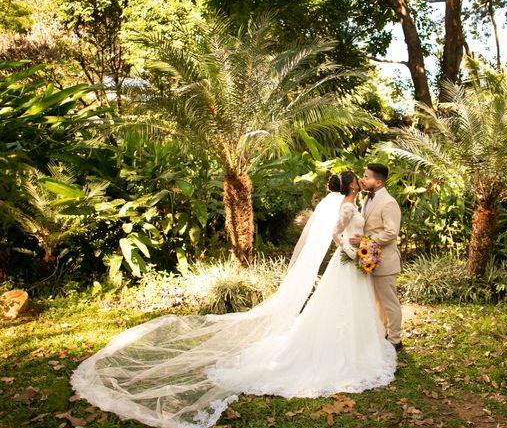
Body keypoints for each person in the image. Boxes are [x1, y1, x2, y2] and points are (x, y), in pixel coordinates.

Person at [71, 170, 396, 428]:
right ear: (351, 184)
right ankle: (340, 351)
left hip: (352, 264)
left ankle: (359, 342)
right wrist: (351, 248)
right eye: (358, 178)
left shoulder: (357, 201)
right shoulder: (345, 206)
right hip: (348, 260)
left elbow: (353, 233)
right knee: (337, 308)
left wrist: (358, 246)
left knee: (353, 307)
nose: (361, 180)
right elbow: (338, 235)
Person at [350, 163, 403, 351]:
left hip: (386, 260)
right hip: (370, 260)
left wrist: (365, 241)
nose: (363, 180)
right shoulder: (367, 199)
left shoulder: (389, 203)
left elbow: (391, 232)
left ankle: (395, 340)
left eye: (366, 177)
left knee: (389, 302)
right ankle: (382, 333)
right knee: (377, 301)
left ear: (378, 182)